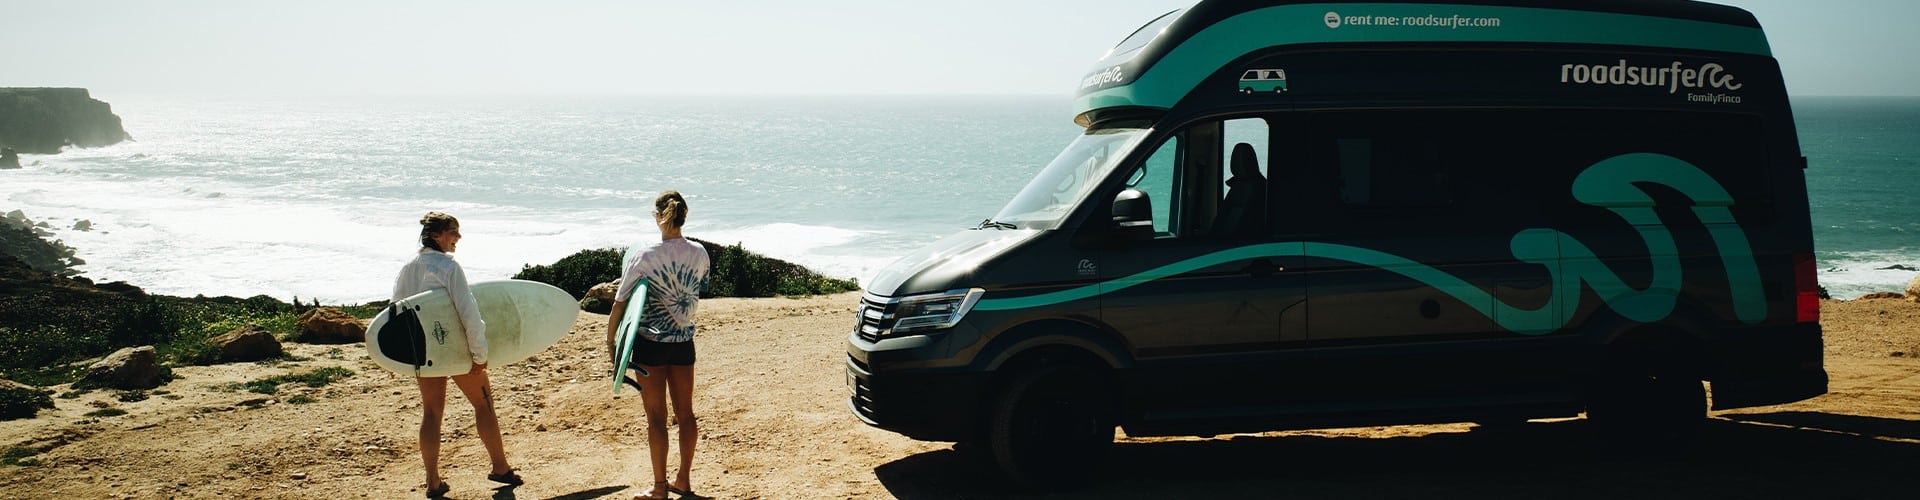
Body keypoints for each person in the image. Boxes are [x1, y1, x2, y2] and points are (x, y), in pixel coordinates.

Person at [393, 211, 522, 498]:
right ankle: (500, 468)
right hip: (456, 351)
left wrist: (393, 355)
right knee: (483, 404)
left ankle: (432, 482)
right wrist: (479, 353)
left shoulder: (407, 268)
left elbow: (395, 312)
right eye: (453, 232)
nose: (458, 237)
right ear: (436, 235)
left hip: (425, 352)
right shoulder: (448, 268)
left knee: (431, 412)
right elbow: (469, 313)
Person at [605, 191, 711, 500]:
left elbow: (621, 304)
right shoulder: (700, 253)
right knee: (686, 414)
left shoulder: (645, 256)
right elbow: (698, 290)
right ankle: (684, 480)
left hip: (650, 345)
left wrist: (612, 343)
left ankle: (660, 487)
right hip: (683, 344)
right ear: (684, 216)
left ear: (657, 217)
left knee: (656, 417)